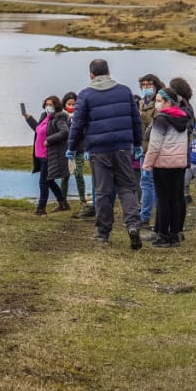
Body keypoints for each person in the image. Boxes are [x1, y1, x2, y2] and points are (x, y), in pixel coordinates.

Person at [67, 59, 143, 249]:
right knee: (127, 187)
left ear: (91, 74)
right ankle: (133, 225)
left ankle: (102, 233)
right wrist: (138, 143)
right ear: (108, 72)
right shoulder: (125, 91)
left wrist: (71, 147)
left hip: (99, 150)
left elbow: (77, 125)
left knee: (102, 191)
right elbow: (136, 120)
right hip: (123, 148)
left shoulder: (85, 95)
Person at [143, 87, 191, 247]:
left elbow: (155, 146)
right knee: (175, 198)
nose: (156, 104)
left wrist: (147, 164)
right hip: (179, 164)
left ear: (167, 102)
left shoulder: (161, 119)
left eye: (158, 101)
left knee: (163, 200)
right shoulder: (182, 117)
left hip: (163, 164)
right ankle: (175, 233)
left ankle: (163, 235)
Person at [23, 95, 69, 215]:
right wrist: (29, 119)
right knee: (49, 181)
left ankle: (41, 208)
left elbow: (65, 132)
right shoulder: (45, 116)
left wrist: (49, 140)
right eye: (47, 104)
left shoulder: (59, 118)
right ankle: (62, 203)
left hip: (50, 155)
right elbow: (38, 130)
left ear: (56, 106)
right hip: (40, 155)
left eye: (51, 105)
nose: (48, 107)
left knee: (43, 182)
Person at [136, 74, 165, 228]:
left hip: (152, 149)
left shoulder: (158, 104)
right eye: (144, 84)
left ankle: (145, 218)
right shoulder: (142, 103)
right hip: (143, 148)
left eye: (149, 84)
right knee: (148, 183)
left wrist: (141, 117)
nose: (146, 87)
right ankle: (148, 214)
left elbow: (155, 126)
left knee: (148, 183)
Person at [62, 91, 92, 218]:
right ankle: (62, 200)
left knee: (79, 174)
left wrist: (86, 148)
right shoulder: (61, 116)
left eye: (74, 104)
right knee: (65, 175)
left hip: (79, 150)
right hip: (65, 150)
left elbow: (85, 133)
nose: (71, 106)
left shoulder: (81, 116)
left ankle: (83, 200)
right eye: (69, 104)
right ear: (64, 104)